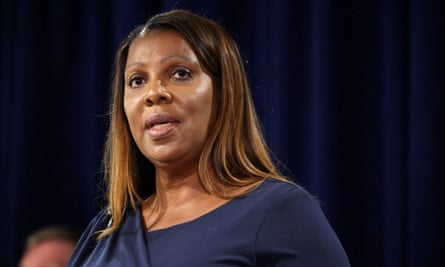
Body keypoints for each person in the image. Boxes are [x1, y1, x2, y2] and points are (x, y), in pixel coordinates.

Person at [68, 9, 350, 266]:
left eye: (180, 73)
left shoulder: (279, 211)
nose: (153, 93)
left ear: (224, 94)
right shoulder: (105, 230)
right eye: (137, 80)